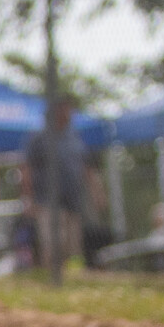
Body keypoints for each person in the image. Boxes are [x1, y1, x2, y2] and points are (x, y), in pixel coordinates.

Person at [20, 96, 104, 284]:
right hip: (47, 201)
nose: (69, 113)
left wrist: (97, 193)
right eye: (65, 109)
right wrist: (28, 199)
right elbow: (26, 169)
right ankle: (52, 280)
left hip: (73, 201)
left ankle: (72, 280)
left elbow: (87, 169)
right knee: (53, 243)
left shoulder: (74, 137)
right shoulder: (39, 138)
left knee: (72, 246)